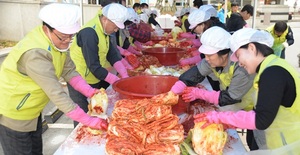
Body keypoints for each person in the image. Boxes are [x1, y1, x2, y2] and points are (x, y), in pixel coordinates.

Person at [0, 3, 108, 155]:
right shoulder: (35, 53)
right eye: (63, 37)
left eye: (71, 36)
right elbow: (56, 93)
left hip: (33, 109)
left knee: (36, 151)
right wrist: (89, 120)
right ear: (46, 28)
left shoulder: (56, 43)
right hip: (15, 112)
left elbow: (69, 71)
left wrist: (91, 92)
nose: (67, 41)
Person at [194, 28, 300, 153]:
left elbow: (261, 119)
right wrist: (234, 121)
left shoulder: (273, 73)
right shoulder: (271, 68)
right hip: (280, 142)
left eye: (238, 56)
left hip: (289, 146)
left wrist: (220, 117)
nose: (239, 63)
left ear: (252, 48)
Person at [68, 3, 129, 127]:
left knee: (98, 113)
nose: (116, 30)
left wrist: (124, 74)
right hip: (79, 80)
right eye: (116, 26)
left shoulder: (104, 31)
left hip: (94, 78)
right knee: (83, 120)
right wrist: (117, 81)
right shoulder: (89, 33)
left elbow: (111, 54)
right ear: (105, 19)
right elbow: (94, 67)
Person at [171, 26, 254, 112]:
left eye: (209, 55)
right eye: (205, 55)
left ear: (224, 53)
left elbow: (232, 96)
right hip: (231, 103)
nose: (206, 59)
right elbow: (196, 72)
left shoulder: (241, 66)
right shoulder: (213, 60)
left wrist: (200, 93)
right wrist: (180, 85)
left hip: (249, 108)